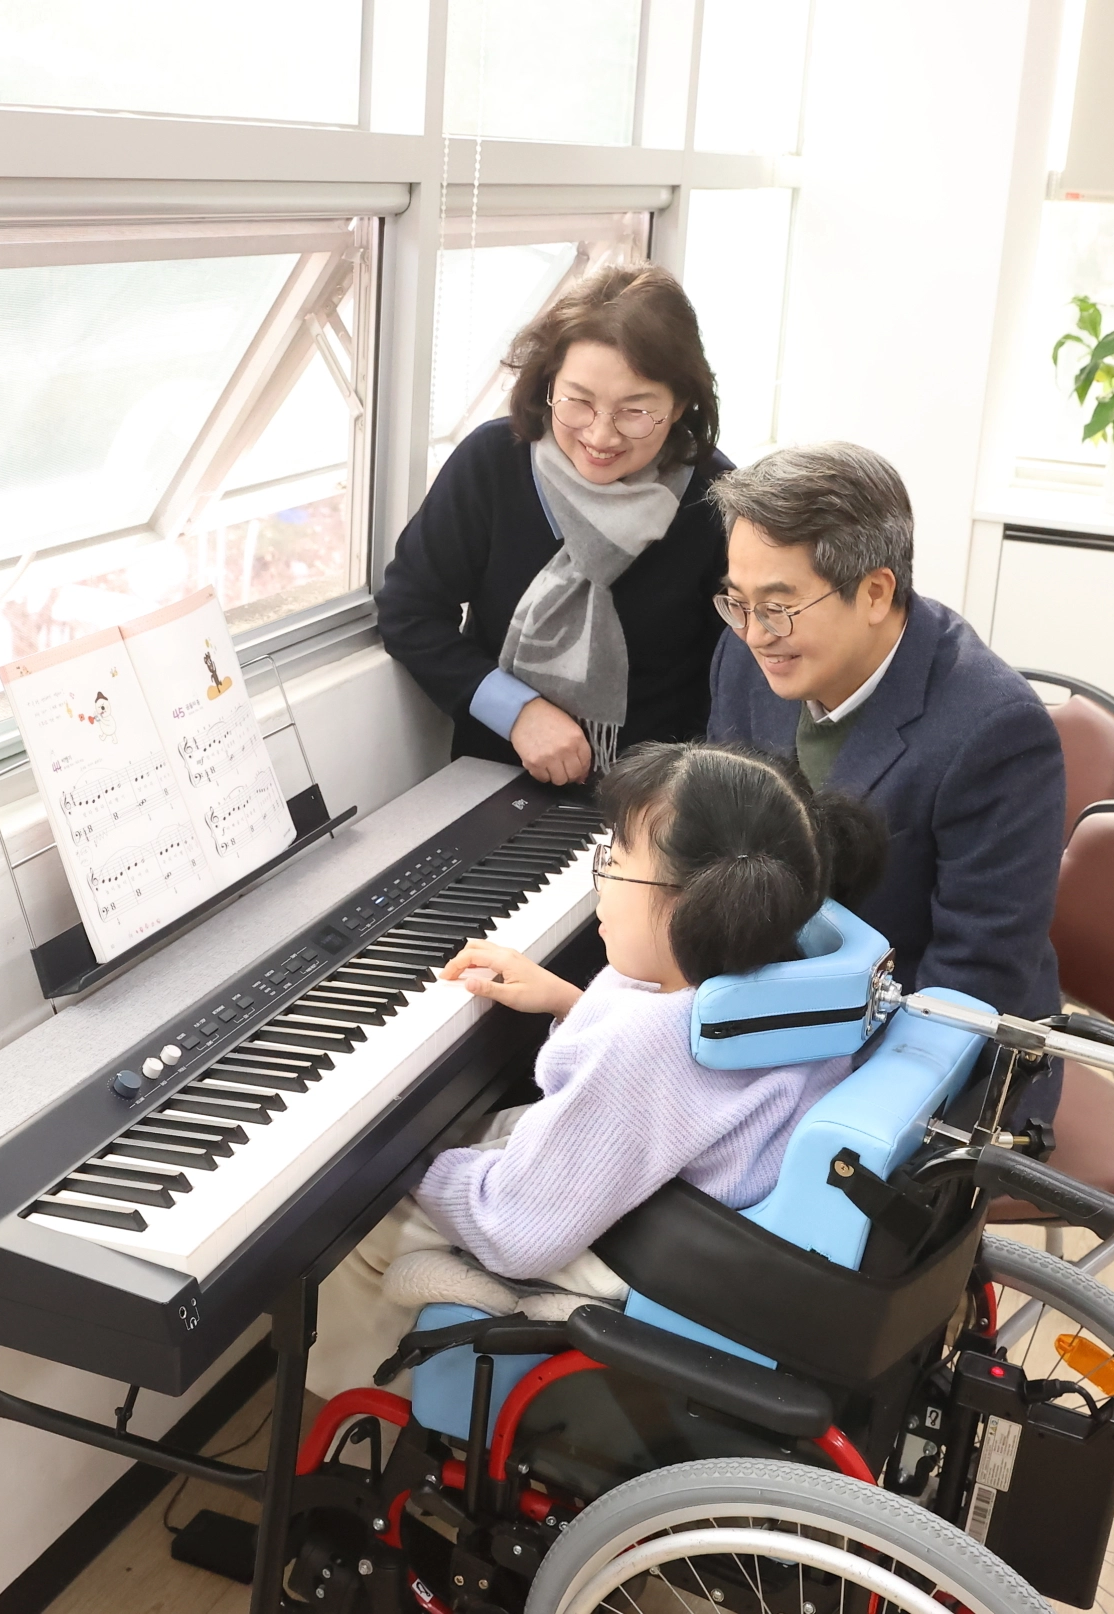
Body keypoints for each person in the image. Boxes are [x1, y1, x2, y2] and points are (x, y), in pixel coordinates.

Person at [305, 741, 888, 1393]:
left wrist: (399, 1165)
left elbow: (514, 1231)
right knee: (492, 1132)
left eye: (614, 859)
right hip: (720, 1214)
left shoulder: (643, 1045)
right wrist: (571, 1002)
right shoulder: (786, 982)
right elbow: (684, 1078)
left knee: (357, 1231)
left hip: (648, 1257)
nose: (600, 875)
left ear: (687, 903)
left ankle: (360, 1415)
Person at [704, 442, 1066, 1016]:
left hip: (911, 1040)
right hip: (768, 1003)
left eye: (779, 606)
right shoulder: (746, 656)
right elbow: (715, 842)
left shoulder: (996, 733)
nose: (753, 633)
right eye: (738, 603)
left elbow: (973, 981)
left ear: (875, 593)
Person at [377, 266, 731, 786]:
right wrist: (516, 710)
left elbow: (733, 673)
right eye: (579, 401)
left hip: (657, 797)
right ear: (547, 386)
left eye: (635, 411)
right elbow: (409, 610)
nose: (601, 434)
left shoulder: (715, 499)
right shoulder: (492, 464)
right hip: (496, 776)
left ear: (678, 405)